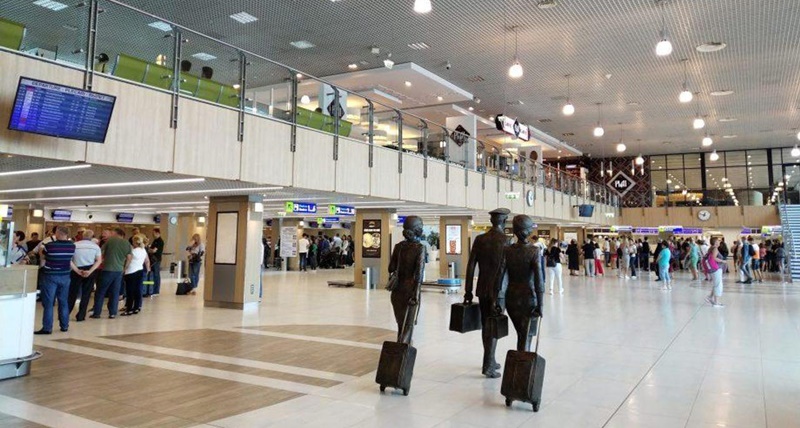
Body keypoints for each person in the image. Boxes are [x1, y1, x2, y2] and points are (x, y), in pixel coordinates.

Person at [464, 208, 510, 379]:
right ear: (504, 221)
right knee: (494, 326)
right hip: (499, 290)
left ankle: (490, 359)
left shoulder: (480, 239)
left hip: (482, 288)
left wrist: (468, 290)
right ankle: (488, 364)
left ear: (492, 221)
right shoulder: (507, 240)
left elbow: (470, 266)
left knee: (486, 324)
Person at [500, 215, 544, 352]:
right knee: (525, 334)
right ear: (529, 231)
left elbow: (500, 277)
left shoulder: (507, 250)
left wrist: (498, 300)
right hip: (528, 297)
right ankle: (522, 361)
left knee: (522, 333)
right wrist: (541, 304)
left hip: (511, 297)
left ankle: (522, 358)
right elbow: (539, 280)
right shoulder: (534, 251)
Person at [388, 216, 425, 345]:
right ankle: (403, 350)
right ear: (417, 230)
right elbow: (419, 274)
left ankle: (400, 344)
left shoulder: (398, 247)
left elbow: (390, 268)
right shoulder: (419, 248)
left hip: (397, 290)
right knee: (408, 325)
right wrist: (416, 294)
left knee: (400, 324)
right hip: (411, 290)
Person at [35, 226, 76, 334]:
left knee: (49, 303)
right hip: (65, 276)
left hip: (50, 276)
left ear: (58, 233)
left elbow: (43, 257)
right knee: (63, 301)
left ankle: (47, 328)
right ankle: (64, 326)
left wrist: (41, 251)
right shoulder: (72, 246)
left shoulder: (50, 245)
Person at [92, 228, 131, 319]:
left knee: (100, 291)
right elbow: (129, 257)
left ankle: (97, 313)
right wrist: (124, 268)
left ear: (116, 233)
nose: (111, 235)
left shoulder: (109, 241)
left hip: (107, 270)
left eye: (112, 233)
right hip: (119, 271)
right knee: (115, 292)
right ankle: (112, 313)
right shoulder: (127, 243)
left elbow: (100, 253)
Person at [68, 230, 102, 322]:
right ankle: (81, 316)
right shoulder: (95, 247)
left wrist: (77, 270)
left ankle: (65, 313)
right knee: (86, 294)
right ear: (92, 237)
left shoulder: (75, 245)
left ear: (82, 236)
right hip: (89, 270)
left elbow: (69, 260)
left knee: (72, 293)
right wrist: (90, 271)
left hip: (76, 270)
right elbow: (98, 261)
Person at [122, 234, 150, 316]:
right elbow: (147, 260)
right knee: (137, 290)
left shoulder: (133, 251)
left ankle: (129, 309)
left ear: (134, 242)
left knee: (130, 291)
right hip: (140, 271)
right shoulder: (143, 250)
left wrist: (124, 269)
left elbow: (128, 261)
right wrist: (148, 269)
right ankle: (136, 308)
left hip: (130, 272)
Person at [704, 237, 726, 307]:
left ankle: (710, 297)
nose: (719, 242)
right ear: (715, 242)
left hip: (712, 269)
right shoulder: (715, 249)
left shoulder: (710, 248)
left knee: (716, 284)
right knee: (718, 285)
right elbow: (714, 258)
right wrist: (723, 261)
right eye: (718, 241)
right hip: (716, 269)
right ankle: (716, 302)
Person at [145, 228, 164, 296]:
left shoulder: (160, 241)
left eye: (153, 233)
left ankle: (156, 291)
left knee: (156, 275)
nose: (152, 235)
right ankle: (151, 289)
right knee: (152, 275)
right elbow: (151, 249)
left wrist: (149, 249)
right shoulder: (155, 240)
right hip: (152, 260)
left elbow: (153, 251)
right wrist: (150, 249)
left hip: (156, 260)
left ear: (157, 233)